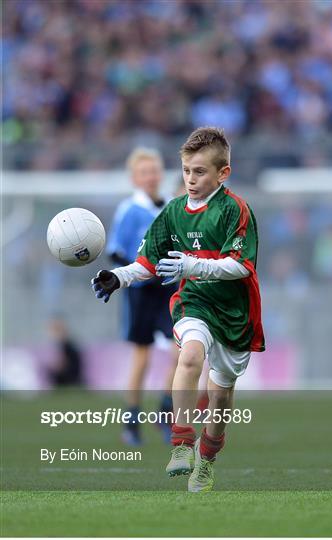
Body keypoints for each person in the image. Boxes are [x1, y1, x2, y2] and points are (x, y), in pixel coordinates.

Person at [92, 127, 265, 492]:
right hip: (194, 302)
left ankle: (207, 458)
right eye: (186, 170)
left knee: (220, 399)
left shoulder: (236, 210)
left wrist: (192, 265)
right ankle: (182, 442)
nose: (190, 179)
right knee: (188, 357)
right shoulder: (172, 211)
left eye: (199, 171)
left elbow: (241, 266)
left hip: (235, 315)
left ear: (223, 173)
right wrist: (118, 277)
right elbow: (147, 261)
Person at [106, 147, 178, 446]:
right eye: (144, 172)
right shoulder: (129, 209)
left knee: (182, 351)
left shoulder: (171, 207)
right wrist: (134, 273)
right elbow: (116, 251)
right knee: (142, 356)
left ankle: (165, 411)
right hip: (140, 292)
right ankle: (132, 421)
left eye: (154, 171)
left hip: (168, 289)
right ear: (135, 177)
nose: (151, 177)